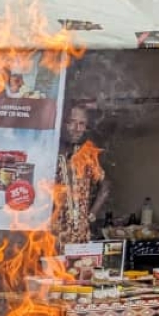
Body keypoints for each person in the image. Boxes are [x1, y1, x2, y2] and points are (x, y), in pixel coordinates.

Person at [51, 103, 110, 248]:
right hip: (51, 235)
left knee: (80, 269)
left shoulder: (87, 153)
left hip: (80, 236)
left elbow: (106, 185)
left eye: (82, 124)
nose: (77, 129)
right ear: (62, 122)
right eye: (72, 122)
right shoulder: (49, 151)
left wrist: (92, 214)